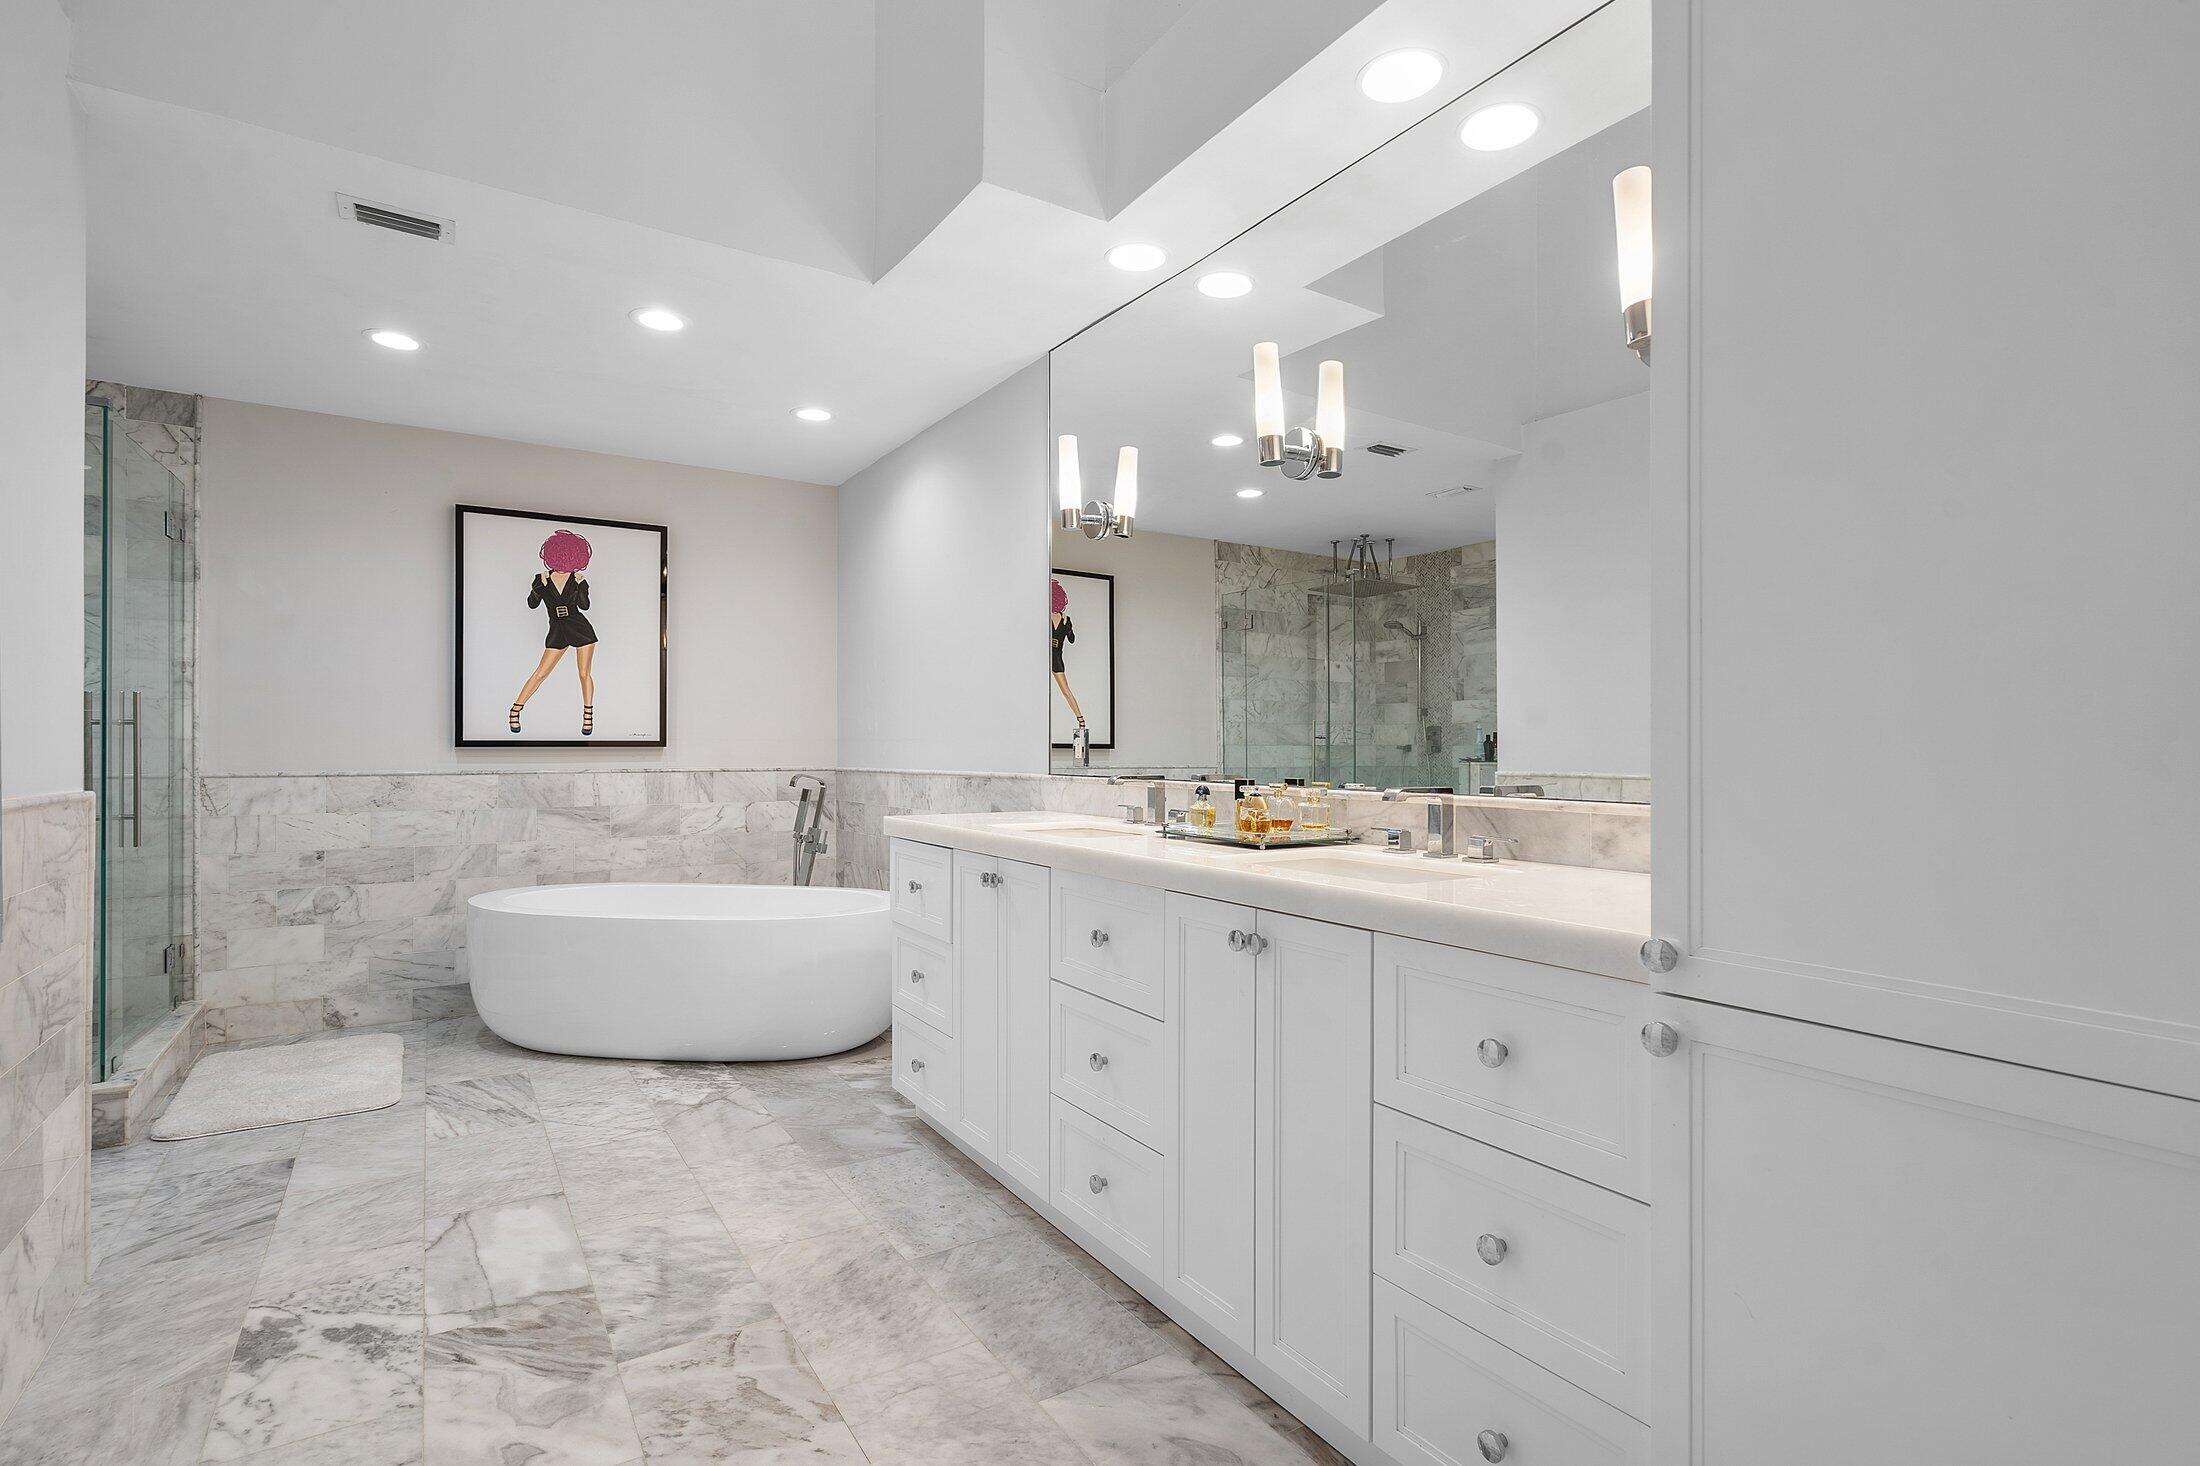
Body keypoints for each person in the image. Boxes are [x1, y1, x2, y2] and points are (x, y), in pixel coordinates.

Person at [509, 528, 598, 736]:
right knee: (541, 672)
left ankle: (588, 716)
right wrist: (539, 587)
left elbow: (584, 606)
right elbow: (532, 604)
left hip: (580, 628)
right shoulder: (541, 578)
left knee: (584, 673)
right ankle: (515, 709)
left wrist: (580, 586)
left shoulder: (578, 579)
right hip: (557, 629)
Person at [1050, 576, 1086, 740]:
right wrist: (1068, 628)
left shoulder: (1052, 618)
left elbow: (1071, 639)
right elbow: (1072, 639)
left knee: (1065, 691)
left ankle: (1080, 719)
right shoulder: (1065, 620)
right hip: (1054, 658)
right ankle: (1081, 719)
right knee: (1066, 691)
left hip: (1051, 658)